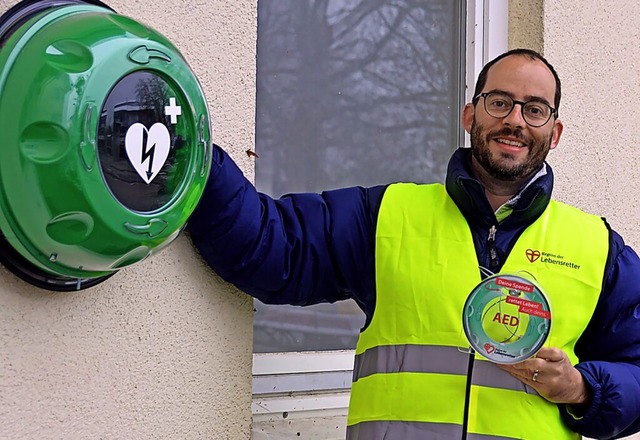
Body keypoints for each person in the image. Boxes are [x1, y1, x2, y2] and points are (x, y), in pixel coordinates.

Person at [187, 49, 640, 439]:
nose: (515, 121)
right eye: (499, 102)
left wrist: (581, 388)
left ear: (554, 132)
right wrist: (192, 153)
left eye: (535, 109)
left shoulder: (598, 249)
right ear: (470, 115)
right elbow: (269, 245)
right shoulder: (386, 216)